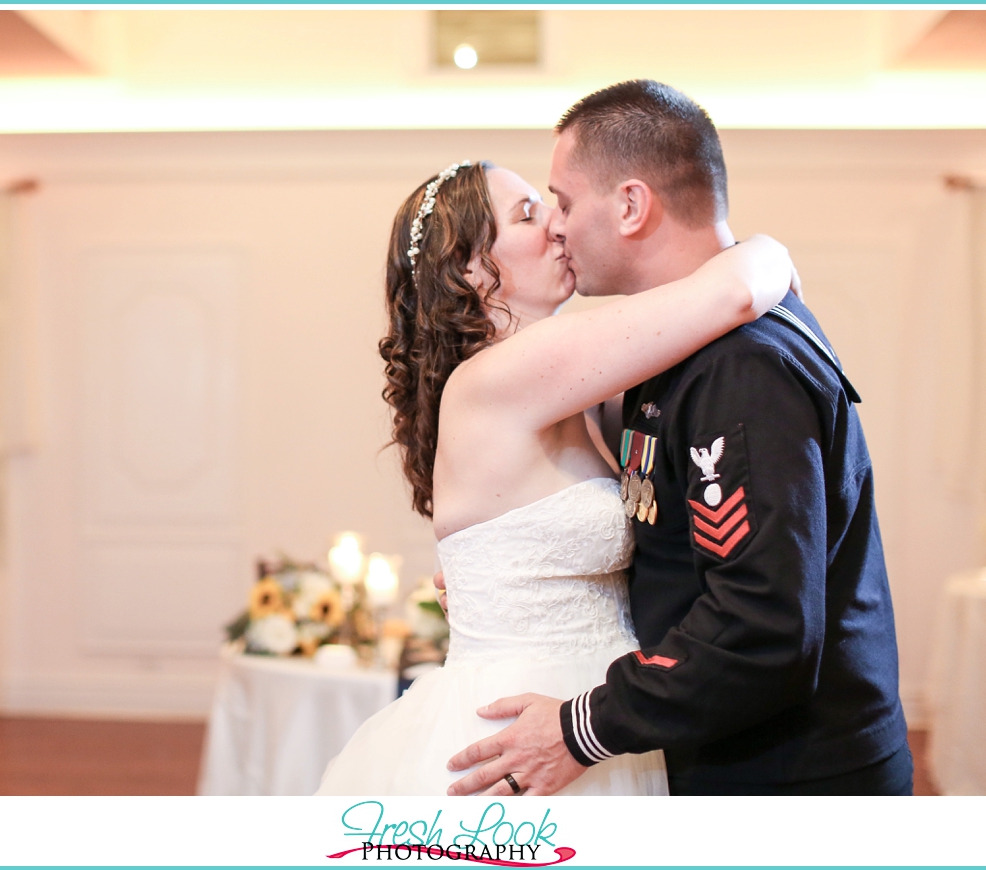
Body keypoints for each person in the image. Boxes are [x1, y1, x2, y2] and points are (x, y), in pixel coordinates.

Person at [444, 80, 911, 798]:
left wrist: (582, 729)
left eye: (562, 202)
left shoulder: (742, 365)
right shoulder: (673, 349)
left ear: (631, 205)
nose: (558, 228)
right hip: (723, 751)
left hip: (792, 781)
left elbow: (761, 627)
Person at [314, 151, 795, 794]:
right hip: (524, 718)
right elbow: (733, 291)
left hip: (594, 708)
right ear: (471, 270)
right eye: (527, 214)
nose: (558, 228)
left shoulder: (579, 392)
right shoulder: (501, 377)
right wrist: (772, 252)